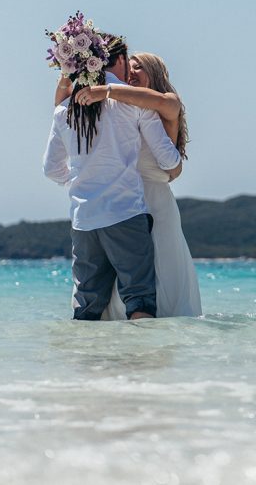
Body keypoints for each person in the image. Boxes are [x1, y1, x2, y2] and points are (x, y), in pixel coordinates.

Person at [43, 36, 182, 320]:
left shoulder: (64, 110)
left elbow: (51, 169)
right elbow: (169, 160)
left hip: (83, 219)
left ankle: (88, 363)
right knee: (139, 299)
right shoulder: (135, 103)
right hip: (125, 213)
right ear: (117, 60)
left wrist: (81, 182)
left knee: (86, 308)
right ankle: (141, 361)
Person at [70, 52, 203, 318]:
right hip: (119, 204)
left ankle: (154, 343)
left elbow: (171, 167)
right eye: (127, 67)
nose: (130, 73)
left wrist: (106, 90)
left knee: (159, 277)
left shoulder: (166, 104)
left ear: (154, 73)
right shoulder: (116, 111)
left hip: (154, 203)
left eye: (138, 67)